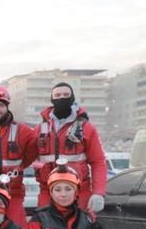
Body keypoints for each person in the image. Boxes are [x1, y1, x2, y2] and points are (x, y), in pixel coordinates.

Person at [34, 82, 107, 212]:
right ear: (52, 99)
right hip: (48, 192)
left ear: (72, 98)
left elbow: (98, 162)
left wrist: (98, 192)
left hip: (79, 192)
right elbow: (24, 155)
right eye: (57, 95)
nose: (61, 98)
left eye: (66, 95)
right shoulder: (40, 128)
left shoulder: (86, 128)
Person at [0, 85, 37, 227]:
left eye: (1, 105)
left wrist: (21, 166)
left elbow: (36, 147)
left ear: (7, 107)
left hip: (13, 193)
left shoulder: (22, 131)